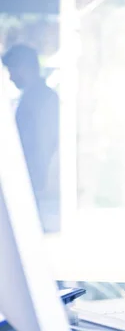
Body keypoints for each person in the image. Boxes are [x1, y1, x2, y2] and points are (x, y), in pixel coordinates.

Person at [2, 43, 60, 233]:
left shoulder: (41, 99)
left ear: (26, 68)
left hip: (36, 184)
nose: (10, 77)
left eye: (13, 70)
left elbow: (43, 145)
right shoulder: (33, 98)